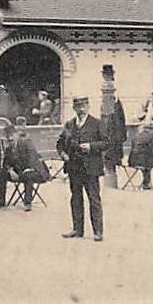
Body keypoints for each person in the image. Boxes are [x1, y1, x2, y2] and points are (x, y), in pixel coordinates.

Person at [57, 96, 107, 240]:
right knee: (76, 198)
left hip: (91, 168)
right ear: (74, 108)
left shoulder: (97, 123)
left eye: (84, 106)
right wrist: (63, 154)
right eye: (78, 106)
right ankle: (77, 229)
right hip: (74, 167)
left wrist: (91, 147)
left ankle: (98, 232)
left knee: (94, 199)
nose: (81, 109)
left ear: (88, 106)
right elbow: (60, 143)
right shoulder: (69, 124)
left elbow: (106, 142)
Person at [101, 65, 127, 189]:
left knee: (111, 157)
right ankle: (111, 178)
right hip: (113, 132)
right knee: (111, 158)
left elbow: (114, 118)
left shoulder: (112, 93)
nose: (107, 77)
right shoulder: (108, 92)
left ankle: (111, 179)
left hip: (113, 131)